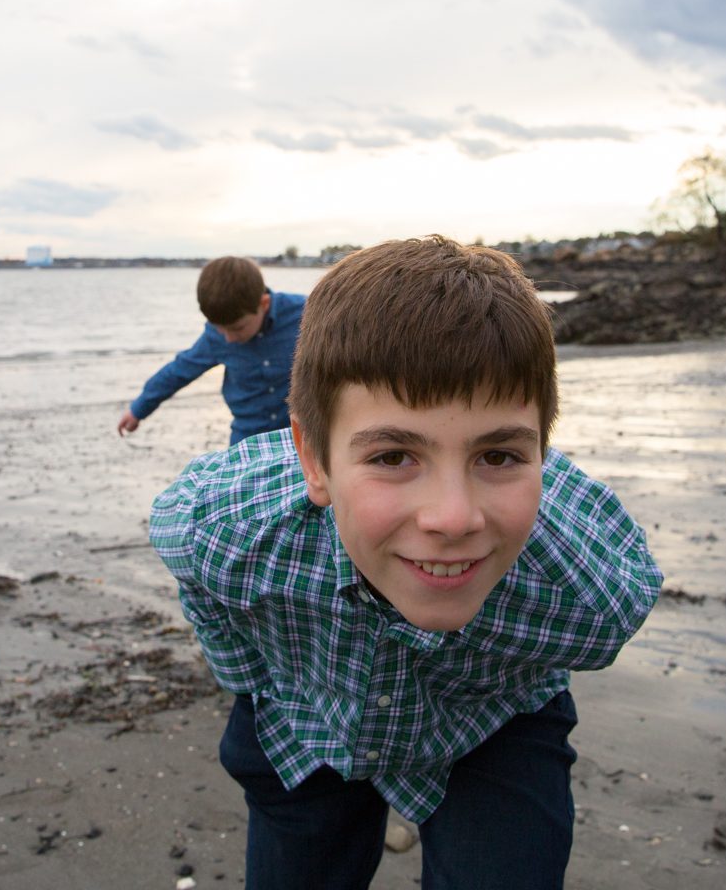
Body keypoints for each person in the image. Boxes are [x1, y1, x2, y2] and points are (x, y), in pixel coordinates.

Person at [150, 236, 662, 890]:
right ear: (314, 461)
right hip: (307, 708)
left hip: (492, 716)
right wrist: (264, 683)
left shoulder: (589, 596)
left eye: (499, 455)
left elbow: (619, 599)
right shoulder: (222, 530)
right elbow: (197, 579)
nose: (452, 518)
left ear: (543, 451)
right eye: (393, 456)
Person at [119, 256, 305, 447]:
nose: (228, 338)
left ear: (264, 304)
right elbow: (179, 371)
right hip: (247, 439)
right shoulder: (215, 338)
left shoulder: (305, 314)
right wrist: (137, 410)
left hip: (302, 435)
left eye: (237, 328)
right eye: (219, 329)